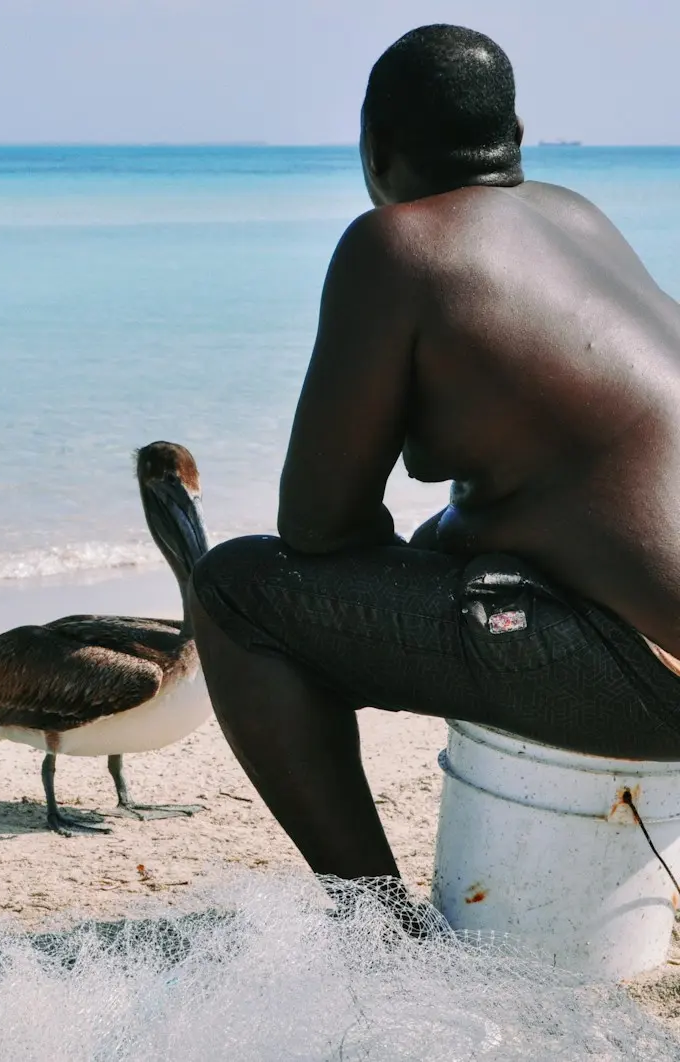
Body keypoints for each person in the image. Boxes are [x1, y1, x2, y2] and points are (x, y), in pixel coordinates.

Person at [188, 24, 680, 888]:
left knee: (236, 592)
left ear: (375, 148)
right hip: (654, 638)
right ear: (517, 141)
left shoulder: (398, 245)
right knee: (443, 541)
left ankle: (379, 932)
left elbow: (314, 528)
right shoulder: (577, 216)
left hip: (651, 678)